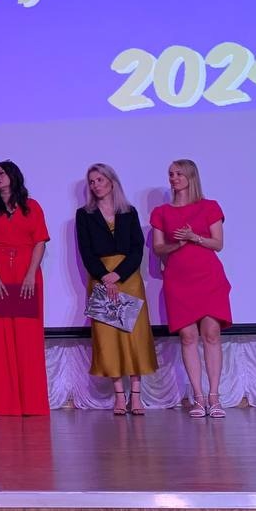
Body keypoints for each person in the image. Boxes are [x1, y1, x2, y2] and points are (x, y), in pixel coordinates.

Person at [0, 160, 51, 416]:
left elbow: (40, 242)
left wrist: (31, 274)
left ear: (14, 176)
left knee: (28, 339)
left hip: (26, 277)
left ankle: (32, 405)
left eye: (2, 173)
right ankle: (4, 405)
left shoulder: (32, 207)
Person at [151, 159, 232, 419]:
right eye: (171, 174)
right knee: (187, 337)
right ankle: (198, 398)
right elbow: (158, 248)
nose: (173, 178)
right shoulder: (161, 212)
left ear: (190, 177)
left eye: (178, 174)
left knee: (211, 334)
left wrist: (193, 237)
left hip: (208, 277)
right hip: (178, 280)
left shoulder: (209, 206)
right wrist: (177, 245)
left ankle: (214, 397)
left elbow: (218, 244)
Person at [75, 163, 157, 415]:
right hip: (101, 280)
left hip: (128, 278)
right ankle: (119, 397)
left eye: (100, 180)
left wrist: (118, 274)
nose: (95, 185)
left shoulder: (129, 212)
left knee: (134, 336)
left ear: (112, 182)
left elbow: (137, 248)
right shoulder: (84, 214)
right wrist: (104, 277)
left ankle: (136, 396)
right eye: (92, 182)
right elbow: (86, 252)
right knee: (108, 337)